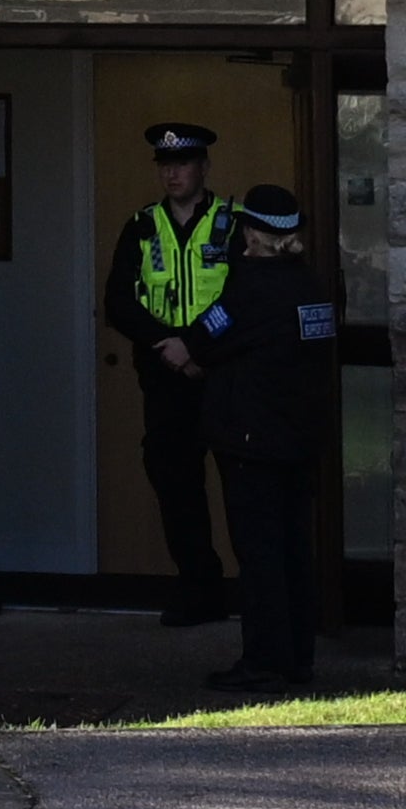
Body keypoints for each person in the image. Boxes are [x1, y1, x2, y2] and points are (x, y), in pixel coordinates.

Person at [197, 185, 343, 688]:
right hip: (300, 441)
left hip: (252, 443)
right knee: (294, 550)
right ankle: (297, 656)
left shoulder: (253, 288)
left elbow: (203, 340)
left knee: (260, 555)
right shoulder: (312, 285)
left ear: (253, 235)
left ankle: (265, 662)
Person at [121, 120, 242, 628]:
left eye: (183, 164)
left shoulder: (232, 223)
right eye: (165, 166)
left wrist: (196, 346)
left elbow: (243, 299)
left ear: (203, 167)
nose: (173, 174)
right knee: (177, 490)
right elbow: (118, 302)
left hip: (223, 377)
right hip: (166, 379)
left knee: (242, 487)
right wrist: (167, 347)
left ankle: (257, 593)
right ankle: (199, 590)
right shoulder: (141, 226)